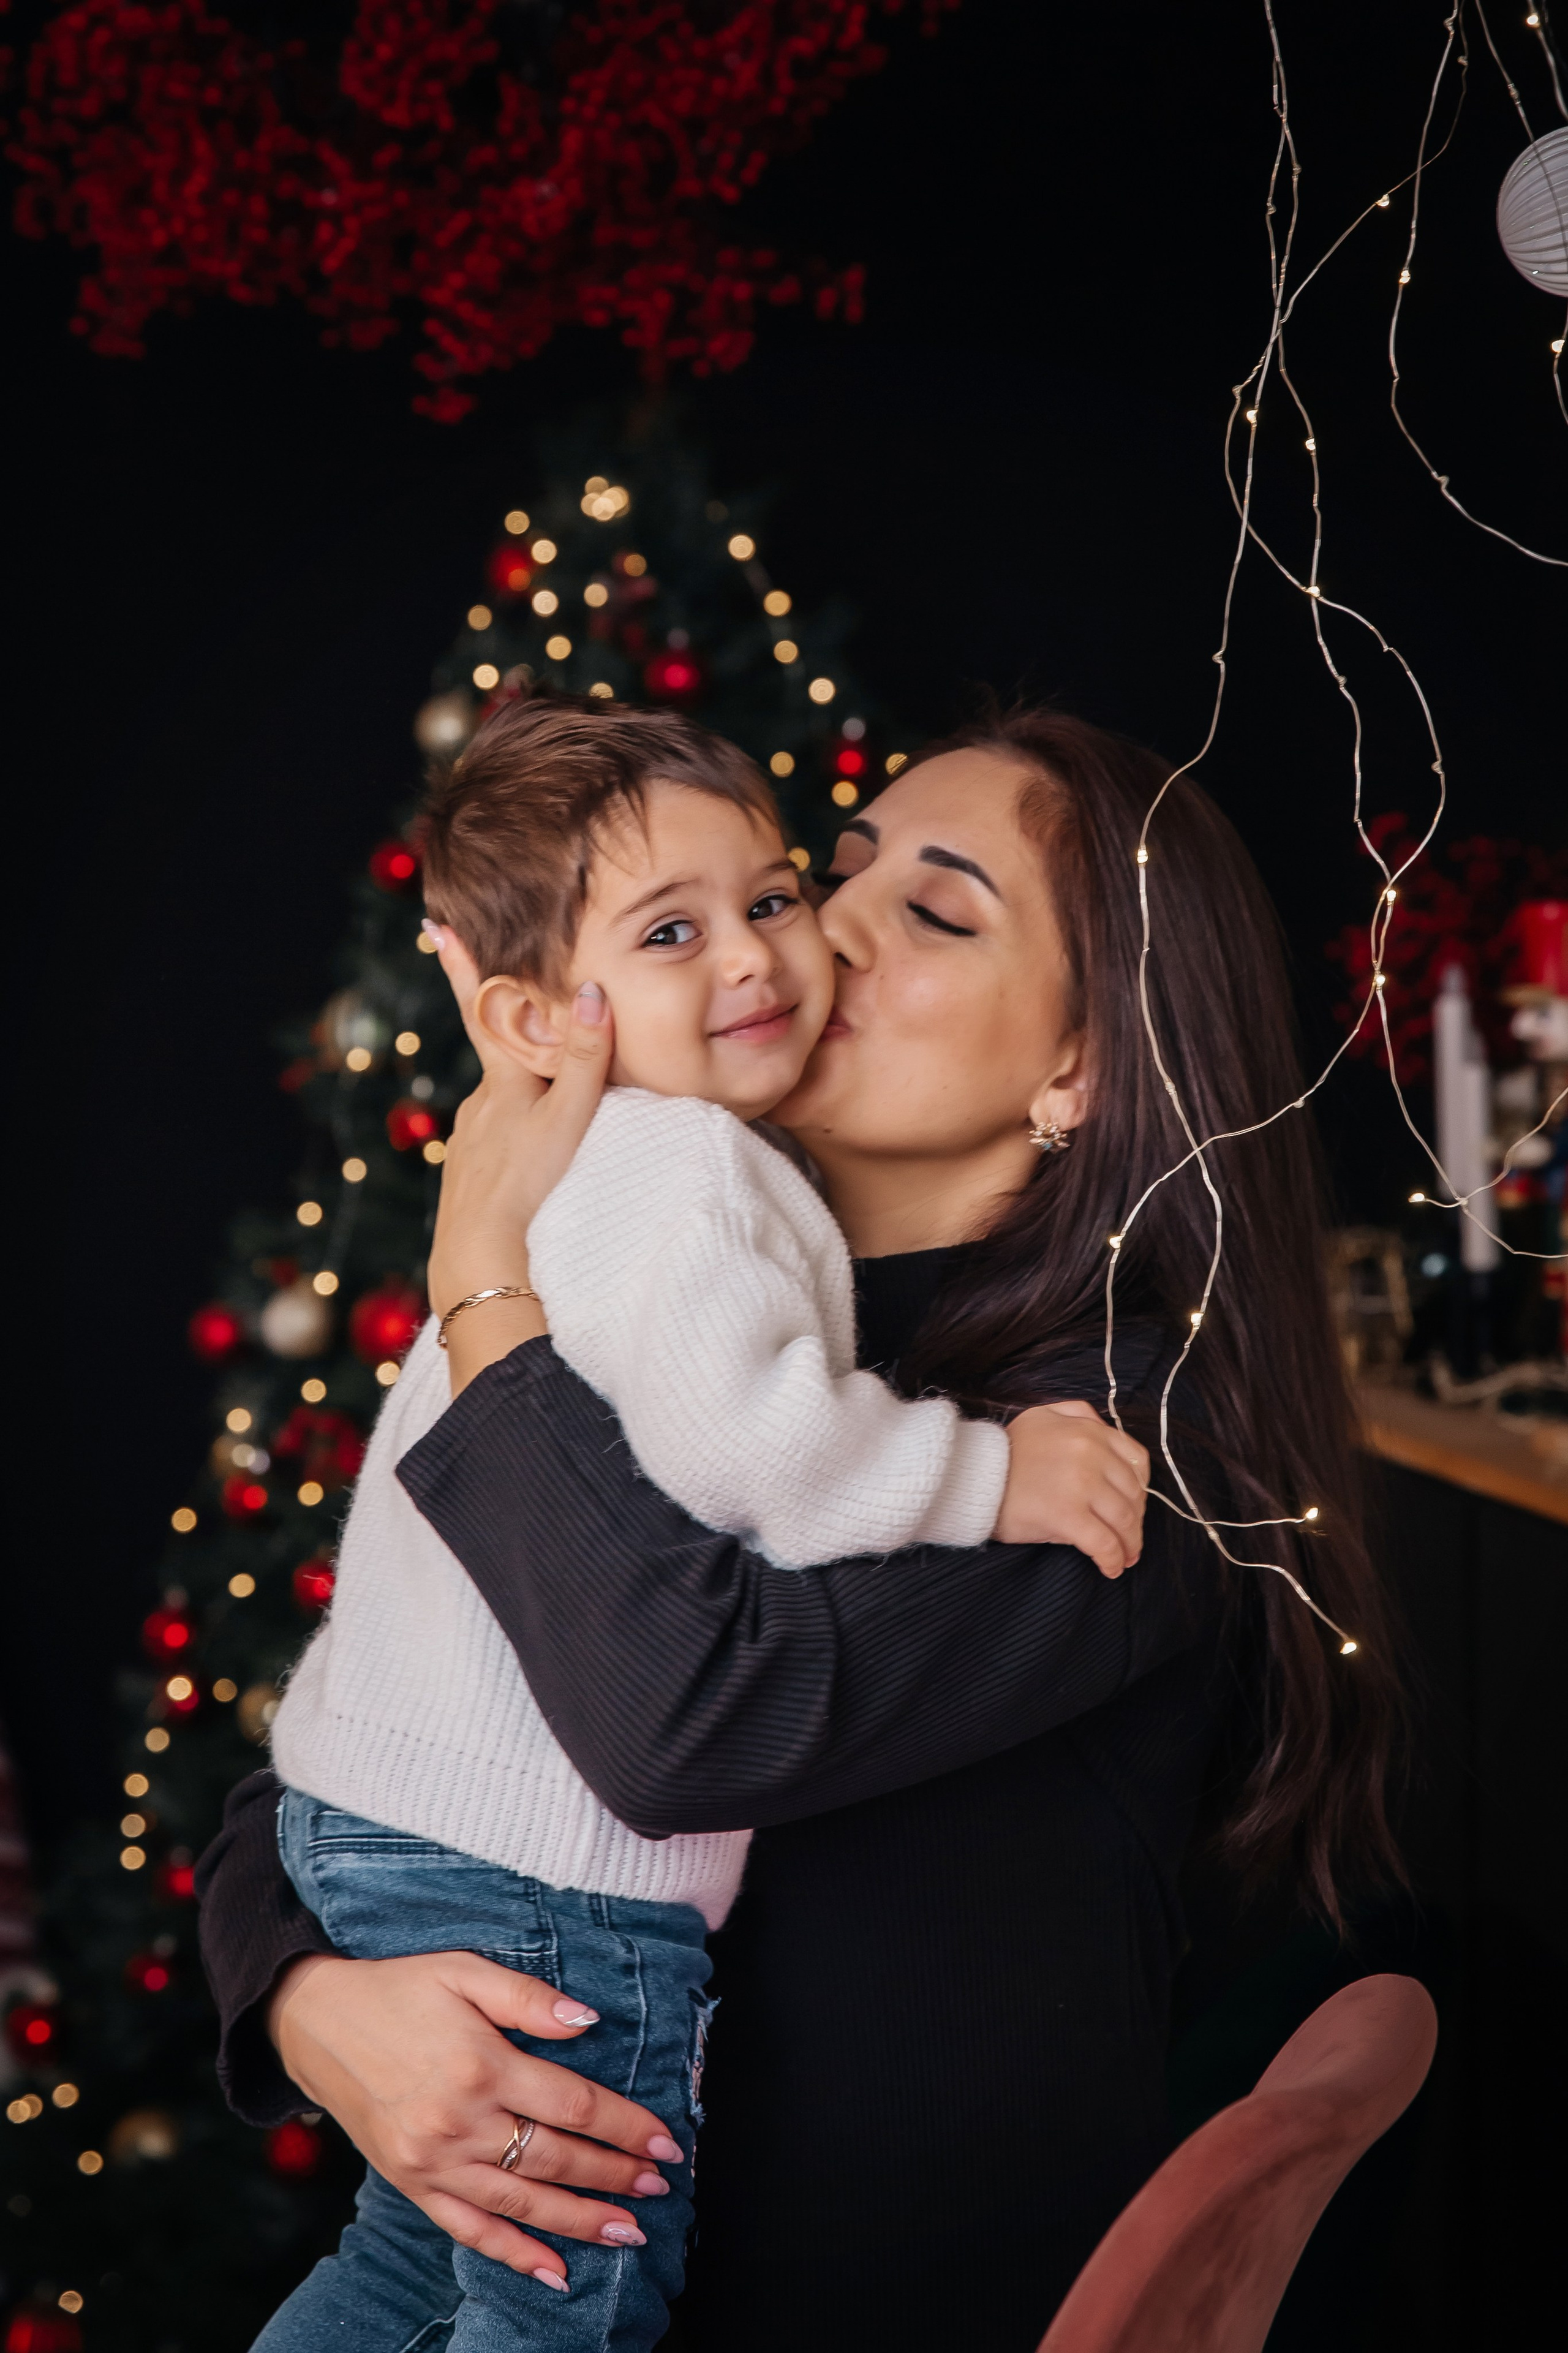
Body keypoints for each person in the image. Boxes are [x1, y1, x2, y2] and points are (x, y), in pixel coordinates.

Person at [198, 706, 1403, 2353]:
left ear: (1081, 1065)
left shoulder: (1115, 1453)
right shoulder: (723, 1305)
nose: (819, 930)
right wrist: (320, 2005)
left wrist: (483, 1285)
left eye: (935, 908)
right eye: (830, 875)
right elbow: (364, 1744)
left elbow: (678, 1718)